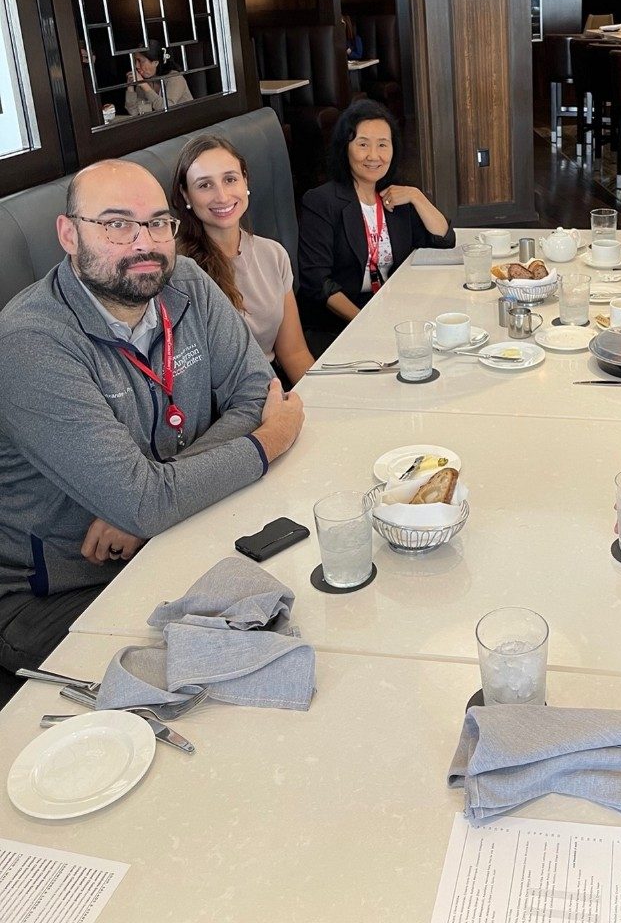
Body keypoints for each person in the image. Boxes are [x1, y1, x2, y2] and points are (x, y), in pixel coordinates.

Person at [0, 160, 304, 684]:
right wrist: (266, 442)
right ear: (69, 234)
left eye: (158, 222)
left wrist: (156, 499)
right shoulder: (31, 343)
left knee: (296, 623)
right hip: (59, 592)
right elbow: (148, 500)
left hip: (170, 541)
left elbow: (257, 391)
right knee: (217, 683)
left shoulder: (184, 279)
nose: (144, 243)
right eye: (116, 224)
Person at [172, 135, 315, 386]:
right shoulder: (179, 271)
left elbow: (294, 354)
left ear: (245, 180)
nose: (222, 195)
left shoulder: (274, 254)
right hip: (220, 404)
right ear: (186, 196)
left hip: (272, 386)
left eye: (230, 179)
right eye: (205, 185)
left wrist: (324, 401)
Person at [299, 101, 455, 330]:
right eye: (363, 144)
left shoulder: (398, 195)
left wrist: (417, 196)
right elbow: (318, 282)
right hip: (341, 320)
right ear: (345, 148)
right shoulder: (321, 201)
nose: (374, 155)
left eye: (383, 145)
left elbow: (444, 240)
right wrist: (365, 321)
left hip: (393, 309)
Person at [124, 39, 193, 115]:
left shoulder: (174, 77)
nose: (136, 66)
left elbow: (167, 109)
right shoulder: (143, 81)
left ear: (155, 62)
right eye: (135, 61)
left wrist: (145, 86)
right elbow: (134, 112)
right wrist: (130, 87)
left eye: (140, 61)